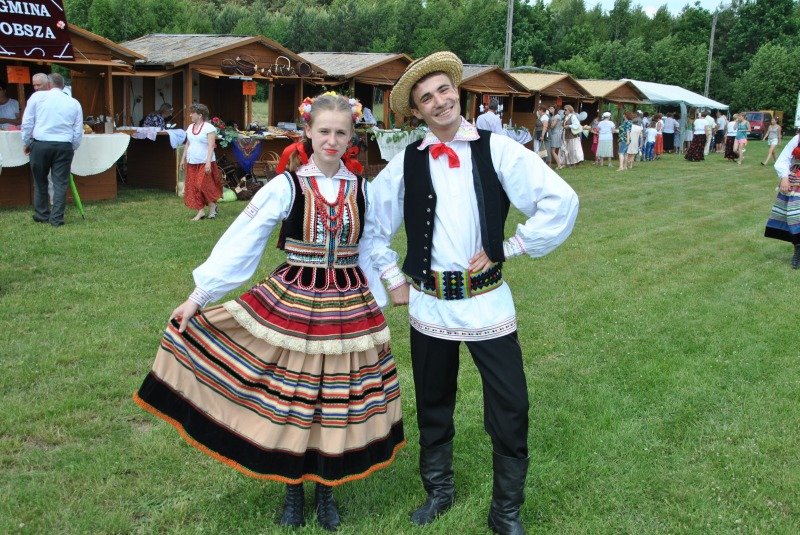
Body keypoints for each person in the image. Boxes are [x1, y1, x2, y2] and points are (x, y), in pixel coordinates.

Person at [134, 92, 405, 531]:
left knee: (334, 399)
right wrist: (198, 297)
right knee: (294, 397)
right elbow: (244, 239)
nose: (331, 140)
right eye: (323, 131)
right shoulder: (287, 186)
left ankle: (327, 489)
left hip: (347, 305)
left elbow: (371, 243)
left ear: (352, 137)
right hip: (296, 300)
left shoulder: (363, 189)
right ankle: (292, 488)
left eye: (340, 133)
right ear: (308, 133)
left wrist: (385, 288)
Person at [367, 51, 579, 535]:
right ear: (416, 111)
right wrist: (393, 278)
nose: (439, 101)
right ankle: (438, 492)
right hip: (430, 305)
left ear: (457, 92)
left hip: (487, 302)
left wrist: (512, 246)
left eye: (444, 90)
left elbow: (560, 200)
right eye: (426, 98)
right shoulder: (406, 163)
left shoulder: (497, 149)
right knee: (433, 401)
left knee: (511, 403)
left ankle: (506, 511)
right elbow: (374, 226)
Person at [20, 73, 83, 227]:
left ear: (48, 84)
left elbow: (27, 123)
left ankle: (42, 214)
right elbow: (77, 131)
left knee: (40, 181)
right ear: (63, 86)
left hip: (41, 143)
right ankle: (57, 218)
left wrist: (27, 142)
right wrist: (72, 146)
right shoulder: (74, 102)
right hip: (64, 144)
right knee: (60, 183)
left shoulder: (36, 97)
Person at [181, 103, 222, 221]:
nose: (190, 115)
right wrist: (183, 158)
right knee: (193, 186)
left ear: (200, 115)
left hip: (205, 161)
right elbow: (188, 143)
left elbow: (211, 145)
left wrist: (208, 162)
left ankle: (213, 206)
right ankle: (200, 211)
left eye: (192, 113)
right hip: (192, 161)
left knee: (202, 185)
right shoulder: (190, 127)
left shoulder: (209, 128)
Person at [764, 132, 800, 267]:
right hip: (796, 181)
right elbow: (784, 158)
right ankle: (798, 249)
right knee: (793, 216)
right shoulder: (798, 138)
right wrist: (784, 177)